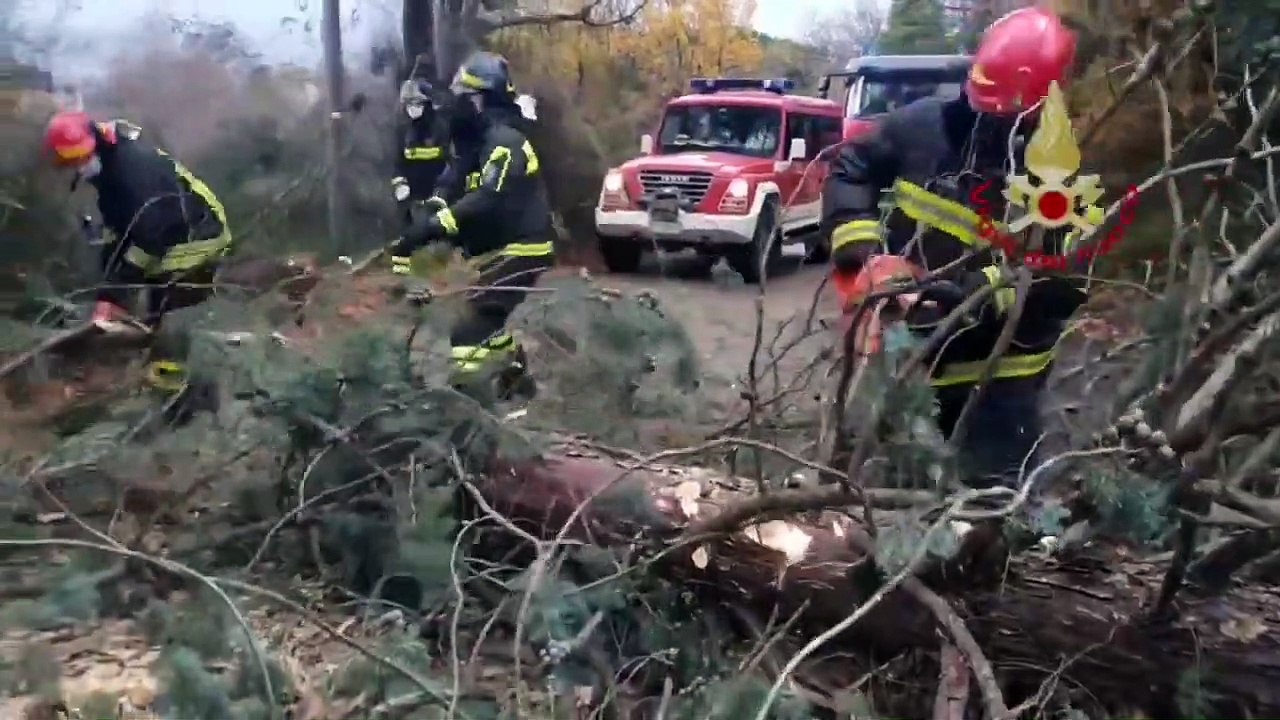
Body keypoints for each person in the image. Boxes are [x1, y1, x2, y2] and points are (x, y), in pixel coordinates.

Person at [820, 6, 1088, 488]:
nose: (988, 124)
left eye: (1003, 116)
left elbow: (1061, 281)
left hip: (1002, 376)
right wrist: (867, 255)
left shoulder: (1056, 172)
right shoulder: (921, 128)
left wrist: (964, 294)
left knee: (989, 506)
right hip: (914, 359)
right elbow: (849, 169)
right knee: (891, 496)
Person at [388, 51, 553, 399]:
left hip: (524, 248)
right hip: (498, 250)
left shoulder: (506, 142)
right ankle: (514, 370)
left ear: (481, 99)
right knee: (484, 319)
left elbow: (488, 196)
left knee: (467, 333)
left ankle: (473, 410)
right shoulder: (473, 143)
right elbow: (452, 180)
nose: (457, 104)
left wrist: (437, 226)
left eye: (465, 95)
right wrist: (430, 211)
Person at [43, 110, 233, 394]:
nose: (78, 168)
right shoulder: (108, 173)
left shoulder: (132, 169)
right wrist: (108, 295)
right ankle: (169, 385)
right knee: (155, 316)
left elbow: (149, 238)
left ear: (93, 144)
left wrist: (117, 295)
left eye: (79, 160)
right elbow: (117, 237)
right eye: (71, 163)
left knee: (171, 320)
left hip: (196, 238)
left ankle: (189, 398)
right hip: (166, 237)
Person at [391, 66, 449, 231]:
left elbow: (450, 162)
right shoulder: (403, 130)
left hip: (439, 193)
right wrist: (400, 185)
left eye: (416, 103)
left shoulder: (440, 127)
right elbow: (398, 163)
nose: (412, 108)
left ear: (426, 103)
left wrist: (441, 191)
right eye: (408, 104)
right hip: (412, 197)